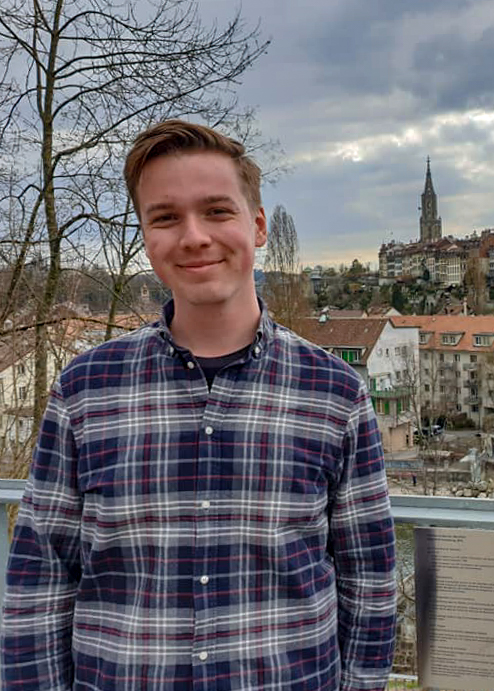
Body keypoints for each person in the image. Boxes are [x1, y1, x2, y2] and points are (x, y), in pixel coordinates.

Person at [2, 120, 397, 690]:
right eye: (166, 217)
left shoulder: (334, 392)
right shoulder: (86, 388)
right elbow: (41, 575)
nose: (193, 236)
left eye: (217, 211)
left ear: (257, 226)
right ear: (145, 236)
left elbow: (369, 581)